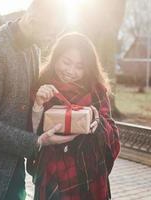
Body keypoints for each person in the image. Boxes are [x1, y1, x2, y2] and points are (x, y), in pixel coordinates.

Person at [0, 0, 77, 199]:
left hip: (18, 160)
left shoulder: (34, 47)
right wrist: (34, 141)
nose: (53, 39)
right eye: (51, 32)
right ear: (34, 20)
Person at [29, 33, 121, 200]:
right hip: (52, 174)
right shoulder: (41, 86)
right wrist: (38, 105)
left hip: (90, 176)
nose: (71, 71)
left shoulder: (96, 91)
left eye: (80, 66)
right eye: (66, 62)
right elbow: (28, 133)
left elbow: (113, 135)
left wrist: (95, 118)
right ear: (56, 58)